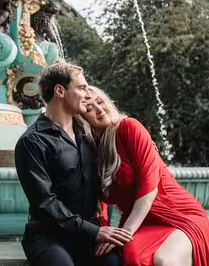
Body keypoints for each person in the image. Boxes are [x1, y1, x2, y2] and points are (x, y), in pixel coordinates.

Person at [78, 87, 209, 266]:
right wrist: (103, 231)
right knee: (134, 259)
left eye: (100, 102)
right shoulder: (91, 151)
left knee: (164, 261)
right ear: (82, 119)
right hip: (141, 223)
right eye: (89, 109)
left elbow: (149, 186)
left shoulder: (129, 127)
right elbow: (97, 202)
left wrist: (125, 232)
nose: (99, 109)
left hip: (178, 215)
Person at [14, 62, 132, 266]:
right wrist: (95, 232)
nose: (87, 94)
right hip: (48, 236)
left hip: (90, 233)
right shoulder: (32, 141)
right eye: (81, 88)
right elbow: (45, 204)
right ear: (60, 91)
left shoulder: (88, 134)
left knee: (117, 263)